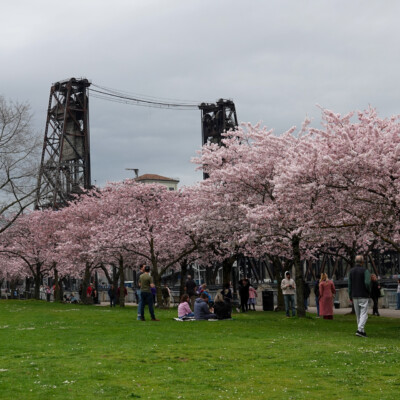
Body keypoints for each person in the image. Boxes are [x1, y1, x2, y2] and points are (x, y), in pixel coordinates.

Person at [348, 255, 371, 337]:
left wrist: (350, 294)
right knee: (364, 314)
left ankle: (361, 331)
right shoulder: (365, 271)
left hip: (354, 295)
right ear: (362, 262)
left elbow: (349, 284)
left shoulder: (351, 271)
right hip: (363, 294)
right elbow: (367, 283)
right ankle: (360, 330)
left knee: (358, 315)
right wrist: (369, 291)